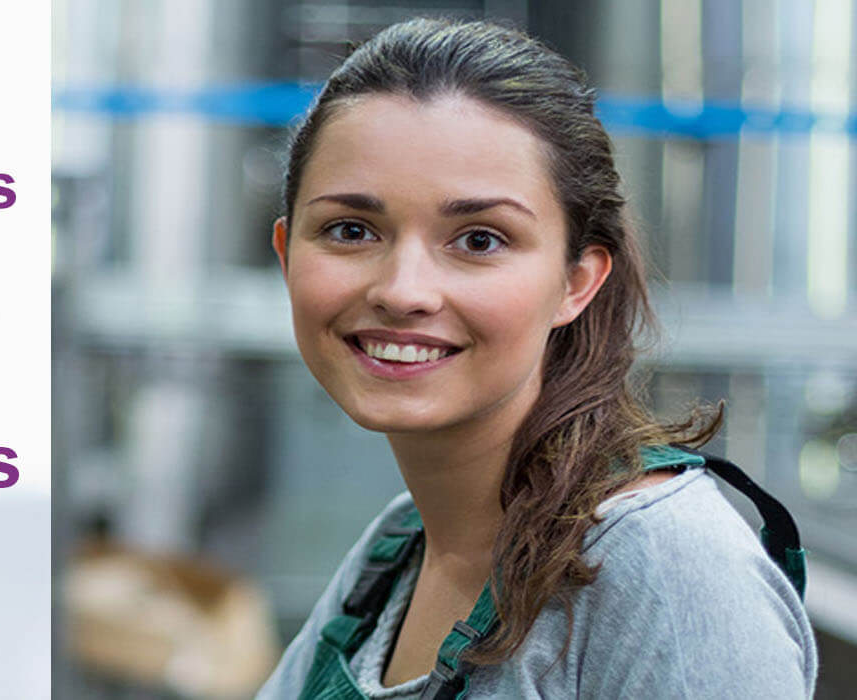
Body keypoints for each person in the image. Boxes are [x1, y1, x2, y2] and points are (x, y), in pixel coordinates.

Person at [255, 17, 817, 700]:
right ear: (287, 256)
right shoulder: (398, 545)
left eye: (480, 239)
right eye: (351, 230)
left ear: (577, 281)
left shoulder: (666, 568)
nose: (403, 292)